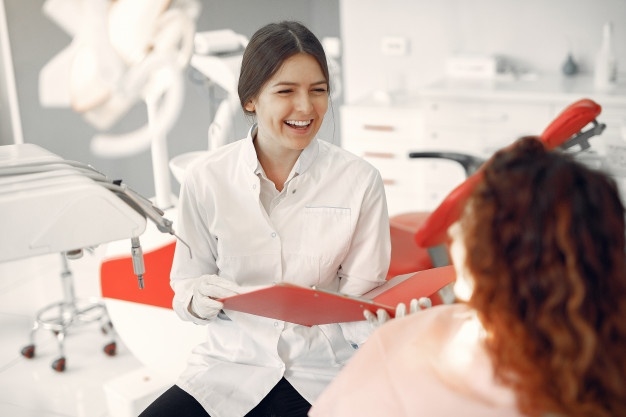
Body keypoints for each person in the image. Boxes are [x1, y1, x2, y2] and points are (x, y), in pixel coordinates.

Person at [139, 21, 392, 417]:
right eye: (286, 91)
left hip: (321, 373)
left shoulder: (360, 182)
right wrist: (200, 297)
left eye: (318, 90)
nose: (306, 108)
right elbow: (184, 289)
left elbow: (360, 303)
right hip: (229, 368)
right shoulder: (205, 179)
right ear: (251, 99)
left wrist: (386, 326)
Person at [309, 136, 626, 417]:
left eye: (468, 223)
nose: (456, 231)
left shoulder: (403, 345)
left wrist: (393, 349)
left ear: (487, 263)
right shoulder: (607, 359)